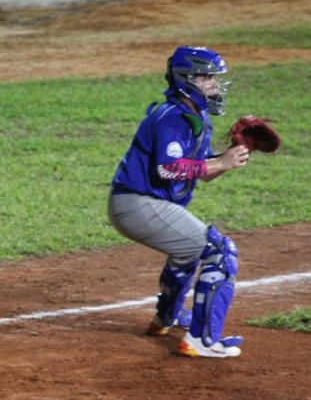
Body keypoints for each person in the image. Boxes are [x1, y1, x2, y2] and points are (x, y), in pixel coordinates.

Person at [108, 45, 251, 359]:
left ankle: (166, 318)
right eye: (208, 78)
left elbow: (201, 171)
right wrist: (220, 162)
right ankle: (202, 340)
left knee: (187, 252)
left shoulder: (195, 115)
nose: (215, 85)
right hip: (138, 204)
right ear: (188, 79)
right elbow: (169, 168)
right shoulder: (173, 117)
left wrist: (232, 157)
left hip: (141, 203)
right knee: (220, 251)